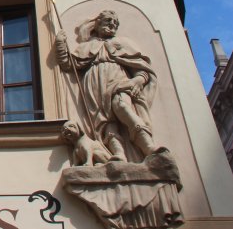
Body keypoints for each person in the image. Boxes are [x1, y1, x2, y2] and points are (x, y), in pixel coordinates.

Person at [56, 10, 161, 161]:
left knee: (122, 107)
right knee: (104, 122)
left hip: (118, 79)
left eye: (115, 22)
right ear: (97, 24)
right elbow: (68, 64)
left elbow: (142, 69)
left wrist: (138, 80)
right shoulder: (88, 46)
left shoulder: (123, 43)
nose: (112, 24)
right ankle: (119, 154)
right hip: (94, 84)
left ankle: (149, 147)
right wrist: (61, 43)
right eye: (108, 20)